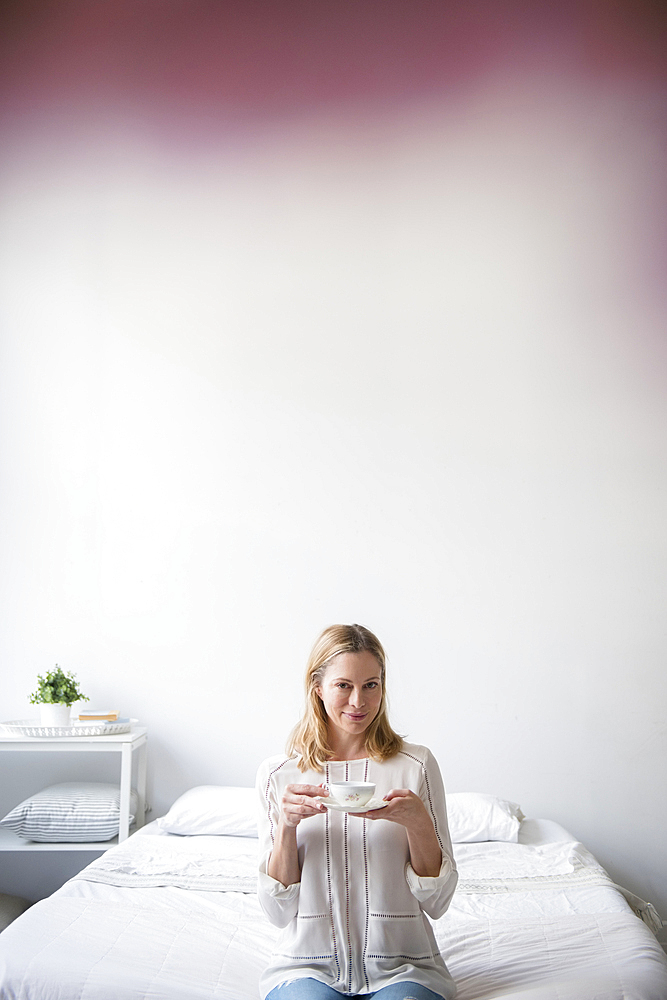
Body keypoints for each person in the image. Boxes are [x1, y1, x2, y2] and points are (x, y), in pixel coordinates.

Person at [256, 624, 458, 1000]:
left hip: (405, 966)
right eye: (343, 685)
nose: (358, 702)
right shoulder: (278, 775)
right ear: (317, 687)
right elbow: (277, 912)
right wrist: (286, 826)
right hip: (305, 966)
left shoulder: (416, 765)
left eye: (371, 685)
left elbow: (438, 902)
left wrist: (419, 825)